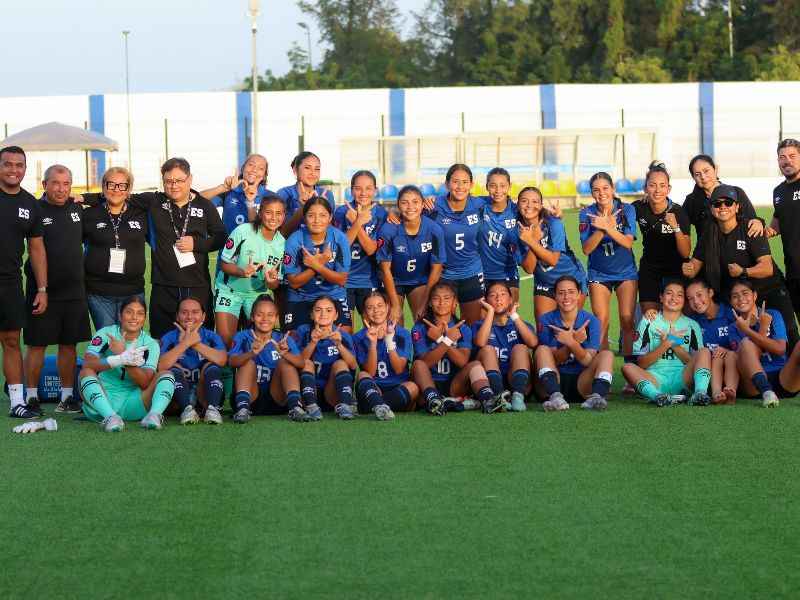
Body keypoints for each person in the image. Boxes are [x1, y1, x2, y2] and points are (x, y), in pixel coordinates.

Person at [79, 157, 227, 338]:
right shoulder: (153, 201)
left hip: (196, 284)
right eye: (168, 181)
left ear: (190, 179)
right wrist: (84, 197)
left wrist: (197, 244)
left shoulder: (204, 206)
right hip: (162, 286)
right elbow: (118, 193)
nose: (173, 185)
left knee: (200, 337)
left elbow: (221, 237)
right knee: (161, 339)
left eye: (179, 180)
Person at [682, 183, 799, 349]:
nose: (723, 207)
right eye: (717, 204)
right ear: (712, 209)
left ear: (737, 207)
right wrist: (689, 269)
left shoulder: (750, 227)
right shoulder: (709, 233)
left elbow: (767, 268)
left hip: (769, 290)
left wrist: (743, 271)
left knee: (790, 335)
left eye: (728, 203)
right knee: (744, 343)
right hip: (739, 297)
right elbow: (695, 265)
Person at [23, 165, 91, 415]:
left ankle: (67, 397)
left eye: (66, 184)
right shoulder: (35, 210)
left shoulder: (77, 209)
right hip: (42, 291)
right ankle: (31, 397)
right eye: (55, 183)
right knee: (37, 344)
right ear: (45, 185)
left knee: (69, 345)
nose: (61, 189)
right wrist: (42, 288)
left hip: (74, 291)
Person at [78, 296, 176, 432]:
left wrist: (125, 357)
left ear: (144, 318)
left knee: (166, 374)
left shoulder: (151, 344)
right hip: (103, 400)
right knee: (85, 373)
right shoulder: (106, 333)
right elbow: (88, 363)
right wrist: (119, 359)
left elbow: (145, 383)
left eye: (140, 313)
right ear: (120, 315)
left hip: (135, 402)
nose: (134, 317)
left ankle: (154, 415)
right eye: (129, 312)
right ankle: (110, 417)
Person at [0, 146, 48, 418]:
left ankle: (17, 402)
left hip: (9, 283)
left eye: (19, 165)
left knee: (10, 340)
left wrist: (42, 289)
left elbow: (37, 249)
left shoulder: (30, 204)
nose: (13, 170)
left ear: (25, 169)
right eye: (7, 164)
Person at [410, 281, 501, 414]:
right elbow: (426, 363)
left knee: (475, 364)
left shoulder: (463, 328)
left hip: (455, 384)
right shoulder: (419, 328)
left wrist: (442, 339)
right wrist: (446, 341)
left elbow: (462, 361)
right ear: (429, 303)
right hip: (428, 383)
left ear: (455, 303)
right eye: (436, 298)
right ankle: (434, 401)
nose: (441, 303)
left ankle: (488, 399)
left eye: (447, 298)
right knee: (418, 365)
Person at [622, 279, 712, 407]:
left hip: (682, 377)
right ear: (661, 297)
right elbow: (641, 363)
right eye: (669, 293)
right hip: (655, 378)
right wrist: (664, 345)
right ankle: (657, 396)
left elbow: (693, 361)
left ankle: (700, 394)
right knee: (627, 367)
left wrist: (674, 343)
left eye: (680, 295)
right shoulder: (648, 321)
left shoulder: (692, 325)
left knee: (704, 352)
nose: (674, 298)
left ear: (684, 300)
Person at [579, 172, 638, 362]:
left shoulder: (626, 210)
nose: (601, 193)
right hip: (599, 273)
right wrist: (601, 229)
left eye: (605, 188)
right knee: (600, 320)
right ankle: (604, 369)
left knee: (627, 319)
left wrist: (610, 228)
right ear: (591, 193)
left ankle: (629, 364)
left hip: (625, 272)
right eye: (596, 190)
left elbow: (628, 242)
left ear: (613, 189)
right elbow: (586, 249)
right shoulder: (586, 213)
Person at [214, 194, 285, 347]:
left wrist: (271, 281)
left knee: (258, 342)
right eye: (269, 212)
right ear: (260, 213)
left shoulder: (282, 244)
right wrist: (242, 272)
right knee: (226, 342)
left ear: (284, 216)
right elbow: (224, 265)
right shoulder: (243, 231)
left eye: (278, 213)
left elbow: (274, 285)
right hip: (229, 290)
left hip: (256, 294)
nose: (274, 218)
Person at [82, 166, 148, 329]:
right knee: (108, 339)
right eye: (111, 184)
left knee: (131, 340)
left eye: (122, 185)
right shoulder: (89, 215)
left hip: (133, 292)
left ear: (129, 189)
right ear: (103, 187)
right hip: (99, 294)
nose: (116, 190)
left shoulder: (142, 214)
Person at [534, 275, 613, 411]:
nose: (566, 297)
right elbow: (554, 360)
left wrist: (572, 343)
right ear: (554, 296)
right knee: (541, 350)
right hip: (553, 380)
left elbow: (588, 361)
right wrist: (572, 343)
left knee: (607, 355)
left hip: (582, 382)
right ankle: (555, 397)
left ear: (579, 294)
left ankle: (596, 397)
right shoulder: (546, 320)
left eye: (571, 292)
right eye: (561, 293)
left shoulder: (591, 321)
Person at [228, 295, 309, 423]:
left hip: (278, 397)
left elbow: (301, 363)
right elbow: (231, 362)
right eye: (260, 314)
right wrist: (251, 353)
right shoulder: (242, 336)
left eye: (270, 315)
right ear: (252, 317)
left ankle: (295, 407)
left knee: (285, 363)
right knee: (248, 363)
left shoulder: (283, 338)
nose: (265, 319)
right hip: (250, 397)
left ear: (276, 318)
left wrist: (285, 354)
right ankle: (242, 409)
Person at [424, 164, 487, 324]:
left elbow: (506, 205)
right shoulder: (433, 206)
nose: (460, 187)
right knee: (442, 325)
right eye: (455, 182)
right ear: (447, 184)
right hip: (444, 276)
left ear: (471, 185)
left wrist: (546, 212)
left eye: (465, 182)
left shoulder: (480, 205)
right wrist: (393, 214)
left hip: (471, 273)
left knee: (473, 325)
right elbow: (408, 213)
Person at [377, 184, 446, 326]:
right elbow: (385, 269)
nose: (410, 207)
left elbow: (437, 268)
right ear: (398, 205)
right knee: (393, 324)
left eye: (415, 202)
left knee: (424, 321)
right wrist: (395, 305)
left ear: (422, 205)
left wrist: (425, 303)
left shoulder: (434, 230)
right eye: (404, 202)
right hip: (394, 281)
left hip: (419, 281)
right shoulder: (388, 230)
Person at [516, 186, 587, 320]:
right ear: (518, 204)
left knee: (568, 325)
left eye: (535, 201)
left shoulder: (554, 223)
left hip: (571, 278)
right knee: (544, 328)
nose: (529, 205)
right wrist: (533, 240)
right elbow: (529, 268)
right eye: (524, 201)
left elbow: (553, 260)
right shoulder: (516, 230)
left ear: (541, 205)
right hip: (544, 282)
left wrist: (532, 241)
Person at [282, 196, 352, 331]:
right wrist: (319, 263)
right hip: (301, 296)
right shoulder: (294, 240)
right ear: (304, 217)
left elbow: (341, 280)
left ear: (330, 217)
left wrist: (317, 265)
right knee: (292, 338)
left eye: (322, 215)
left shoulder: (339, 238)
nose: (317, 220)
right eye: (311, 215)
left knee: (344, 335)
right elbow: (294, 283)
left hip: (333, 294)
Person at [728, 279, 800, 406]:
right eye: (735, 296)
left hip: (783, 378)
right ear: (731, 302)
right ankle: (767, 392)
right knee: (746, 344)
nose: (740, 299)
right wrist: (752, 330)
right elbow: (748, 356)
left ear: (755, 295)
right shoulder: (733, 327)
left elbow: (780, 349)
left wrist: (753, 329)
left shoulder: (772, 315)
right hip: (755, 386)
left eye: (745, 293)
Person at [158, 297, 228, 425]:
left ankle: (213, 410)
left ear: (203, 316)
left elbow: (222, 360)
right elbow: (161, 366)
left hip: (206, 395)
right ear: (177, 316)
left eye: (195, 312)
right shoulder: (169, 337)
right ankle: (187, 410)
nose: (189, 316)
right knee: (172, 370)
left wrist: (194, 343)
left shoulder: (211, 337)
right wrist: (184, 344)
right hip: (177, 400)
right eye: (184, 312)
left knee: (212, 367)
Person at [632, 162, 691, 314]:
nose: (657, 190)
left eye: (662, 185)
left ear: (668, 189)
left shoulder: (678, 212)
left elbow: (685, 253)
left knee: (678, 316)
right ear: (645, 188)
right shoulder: (638, 207)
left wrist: (675, 227)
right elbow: (618, 210)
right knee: (650, 317)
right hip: (650, 268)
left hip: (675, 269)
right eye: (652, 185)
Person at [352, 290, 419, 420]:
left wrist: (389, 341)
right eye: (370, 308)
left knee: (413, 387)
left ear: (387, 307)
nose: (376, 310)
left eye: (380, 305)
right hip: (374, 387)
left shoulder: (402, 333)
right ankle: (379, 404)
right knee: (362, 375)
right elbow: (370, 372)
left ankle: (377, 405)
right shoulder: (358, 337)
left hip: (397, 386)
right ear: (365, 312)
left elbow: (399, 369)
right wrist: (372, 344)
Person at [472, 282, 538, 412]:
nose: (498, 299)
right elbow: (481, 343)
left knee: (520, 348)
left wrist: (514, 316)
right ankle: (498, 396)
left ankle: (518, 396)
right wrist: (490, 312)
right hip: (490, 383)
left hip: (518, 381)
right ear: (486, 301)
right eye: (493, 295)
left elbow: (533, 343)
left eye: (503, 294)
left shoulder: (520, 324)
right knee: (487, 349)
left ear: (510, 299)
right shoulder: (479, 325)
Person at [292, 296, 358, 420]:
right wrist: (313, 342)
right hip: (308, 391)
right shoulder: (303, 331)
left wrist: (339, 345)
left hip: (332, 392)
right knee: (307, 363)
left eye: (328, 310)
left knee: (340, 363)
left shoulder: (343, 335)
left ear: (336, 315)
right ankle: (311, 407)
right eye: (318, 310)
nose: (323, 314)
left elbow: (353, 365)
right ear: (312, 314)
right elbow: (298, 363)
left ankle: (345, 405)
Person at [333, 170, 387, 318]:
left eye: (368, 188)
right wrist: (357, 222)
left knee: (372, 326)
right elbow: (340, 248)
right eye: (358, 188)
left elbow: (371, 249)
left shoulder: (381, 214)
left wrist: (357, 222)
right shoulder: (341, 212)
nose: (363, 193)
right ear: (351, 190)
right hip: (343, 280)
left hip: (369, 280)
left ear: (375, 190)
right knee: (345, 328)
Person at [682, 154, 762, 239]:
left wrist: (758, 222)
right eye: (697, 174)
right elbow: (681, 227)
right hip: (707, 247)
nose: (703, 177)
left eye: (706, 171)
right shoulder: (691, 201)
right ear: (693, 177)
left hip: (737, 245)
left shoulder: (736, 192)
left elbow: (753, 219)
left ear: (715, 169)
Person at [684, 279, 737, 404]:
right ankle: (714, 393)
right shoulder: (692, 322)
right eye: (690, 298)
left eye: (699, 295)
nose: (696, 302)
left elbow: (742, 345)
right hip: (705, 375)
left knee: (730, 356)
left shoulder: (731, 314)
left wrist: (727, 350)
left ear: (710, 293)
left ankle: (730, 392)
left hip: (731, 370)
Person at [767, 138, 800, 339]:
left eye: (792, 156)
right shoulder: (778, 192)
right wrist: (759, 229)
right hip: (793, 270)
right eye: (782, 157)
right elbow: (777, 223)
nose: (787, 161)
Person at [478, 168, 522, 302]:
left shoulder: (517, 211)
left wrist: (552, 215)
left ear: (509, 186)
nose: (498, 190)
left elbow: (538, 213)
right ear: (486, 186)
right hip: (480, 274)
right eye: (493, 185)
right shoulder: (477, 205)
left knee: (510, 312)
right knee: (482, 315)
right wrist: (432, 201)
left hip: (508, 273)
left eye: (502, 186)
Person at [200, 154, 271, 234]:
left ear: (264, 175)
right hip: (228, 241)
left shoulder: (271, 197)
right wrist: (223, 187)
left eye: (260, 168)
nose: (254, 170)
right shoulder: (229, 191)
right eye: (251, 165)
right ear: (243, 168)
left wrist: (250, 203)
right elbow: (196, 200)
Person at [277, 151, 335, 237]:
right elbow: (282, 233)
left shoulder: (327, 194)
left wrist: (322, 207)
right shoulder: (284, 194)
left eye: (317, 169)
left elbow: (331, 232)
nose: (313, 173)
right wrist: (303, 207)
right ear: (295, 170)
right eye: (307, 168)